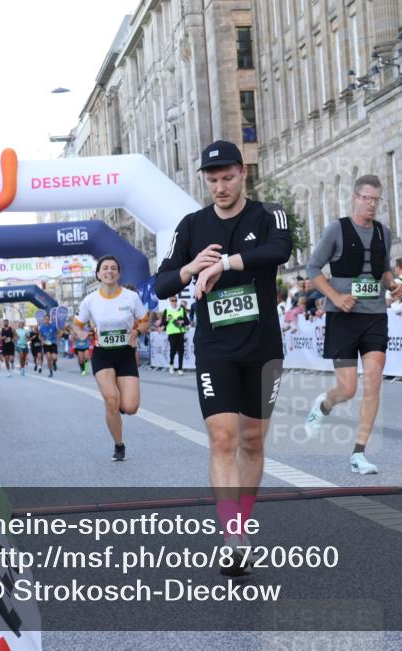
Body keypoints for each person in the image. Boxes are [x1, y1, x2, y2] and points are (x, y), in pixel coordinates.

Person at [154, 139, 292, 576]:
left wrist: (226, 264)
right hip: (215, 348)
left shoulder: (269, 214)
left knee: (252, 441)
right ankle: (232, 535)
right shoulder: (191, 225)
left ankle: (242, 525)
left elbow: (279, 250)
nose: (220, 187)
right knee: (222, 439)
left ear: (243, 173)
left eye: (227, 178)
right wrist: (193, 267)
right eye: (212, 180)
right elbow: (160, 285)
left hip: (264, 348)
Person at [304, 174, 398, 476]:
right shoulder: (337, 229)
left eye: (376, 200)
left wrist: (394, 284)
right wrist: (335, 295)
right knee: (347, 388)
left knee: (373, 382)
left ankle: (359, 453)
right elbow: (313, 268)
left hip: (374, 316)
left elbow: (383, 270)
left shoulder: (384, 232)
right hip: (342, 318)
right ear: (356, 198)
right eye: (366, 198)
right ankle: (324, 405)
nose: (371, 204)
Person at [74, 255, 149, 462]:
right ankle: (119, 444)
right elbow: (77, 324)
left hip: (125, 354)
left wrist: (137, 332)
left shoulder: (130, 297)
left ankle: (120, 406)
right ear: (98, 274)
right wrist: (80, 333)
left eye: (113, 268)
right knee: (111, 400)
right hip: (102, 355)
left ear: (119, 273)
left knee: (131, 407)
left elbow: (144, 321)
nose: (109, 271)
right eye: (105, 268)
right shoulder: (90, 300)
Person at [163, 295, 190, 375]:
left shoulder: (181, 309)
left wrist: (182, 322)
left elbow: (187, 321)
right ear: (170, 301)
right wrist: (167, 320)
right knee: (173, 351)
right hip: (171, 333)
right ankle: (171, 365)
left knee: (181, 351)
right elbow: (163, 323)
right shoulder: (167, 310)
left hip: (180, 332)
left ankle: (180, 368)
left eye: (175, 300)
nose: (174, 302)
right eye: (172, 300)